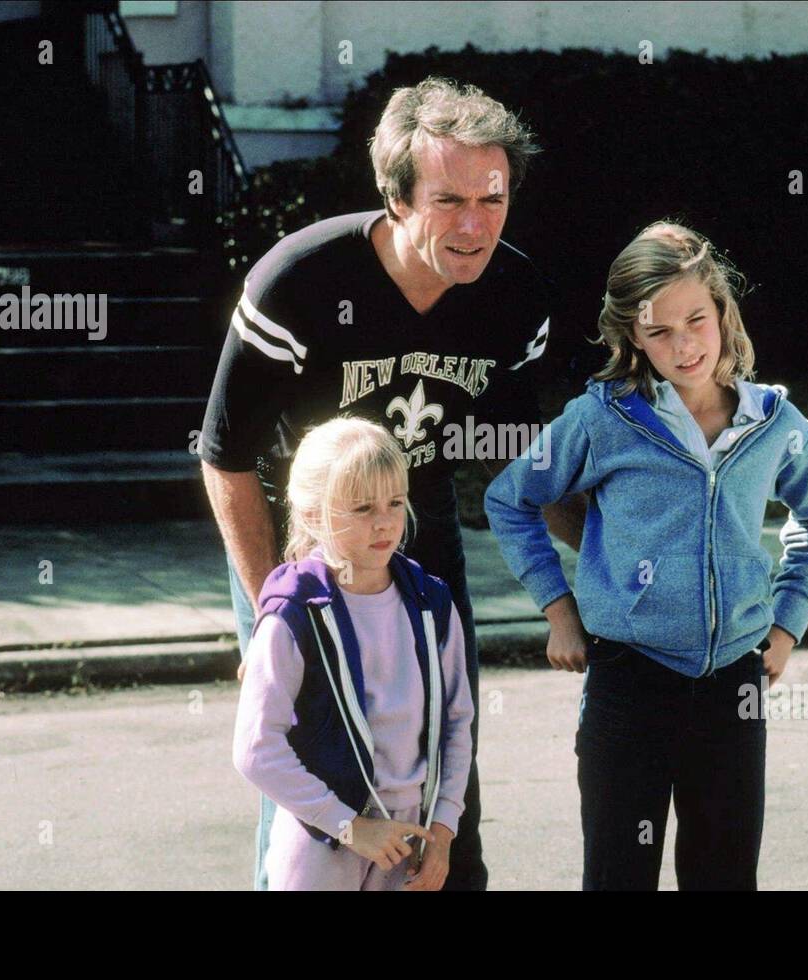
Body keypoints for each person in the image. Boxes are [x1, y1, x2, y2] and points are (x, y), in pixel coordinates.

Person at [200, 76, 587, 890]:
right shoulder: (298, 282)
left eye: (493, 196)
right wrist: (275, 600)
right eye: (449, 200)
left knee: (447, 736)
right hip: (299, 530)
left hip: (418, 510)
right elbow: (225, 454)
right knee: (310, 752)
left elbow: (520, 455)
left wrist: (615, 566)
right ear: (397, 197)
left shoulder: (514, 298)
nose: (476, 224)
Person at [484, 220, 808, 890]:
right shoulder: (600, 421)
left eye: (697, 321)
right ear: (629, 336)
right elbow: (511, 498)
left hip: (733, 691)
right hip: (628, 686)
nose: (683, 347)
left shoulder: (777, 427)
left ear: (724, 312)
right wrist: (559, 611)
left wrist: (789, 621)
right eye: (658, 331)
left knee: (724, 876)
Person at [233, 417, 473, 891]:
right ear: (313, 513)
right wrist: (347, 825)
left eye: (395, 503)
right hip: (323, 837)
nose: (384, 522)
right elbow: (256, 748)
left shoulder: (431, 602)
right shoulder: (293, 612)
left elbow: (457, 721)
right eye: (362, 507)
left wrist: (444, 828)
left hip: (412, 837)